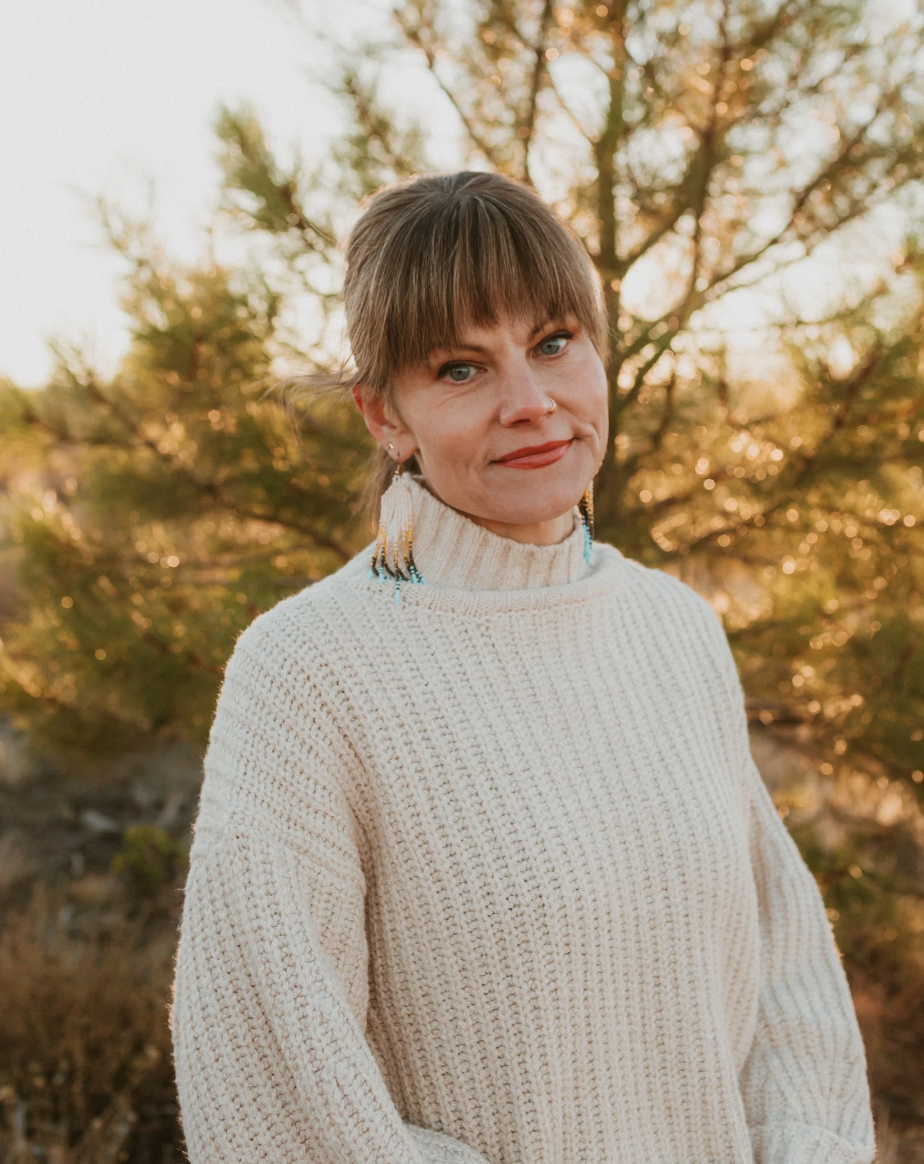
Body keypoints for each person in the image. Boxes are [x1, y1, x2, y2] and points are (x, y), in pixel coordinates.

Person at [171, 171, 875, 1164]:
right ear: (385, 416)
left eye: (554, 343)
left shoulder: (677, 629)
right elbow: (277, 1090)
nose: (533, 404)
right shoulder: (307, 673)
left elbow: (786, 976)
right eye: (461, 369)